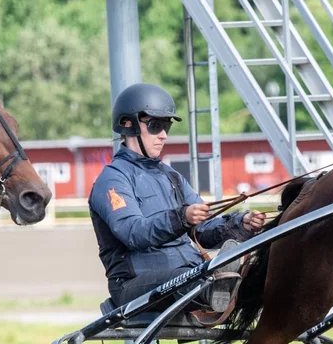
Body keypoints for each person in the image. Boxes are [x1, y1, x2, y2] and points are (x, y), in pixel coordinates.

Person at [88, 82, 266, 310]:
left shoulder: (171, 177)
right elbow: (133, 232)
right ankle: (217, 284)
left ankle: (222, 282)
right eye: (155, 126)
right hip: (134, 284)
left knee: (253, 278)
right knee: (188, 279)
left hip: (189, 273)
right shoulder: (112, 180)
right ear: (128, 124)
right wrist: (182, 217)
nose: (163, 135)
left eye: (166, 127)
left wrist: (241, 223)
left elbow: (203, 230)